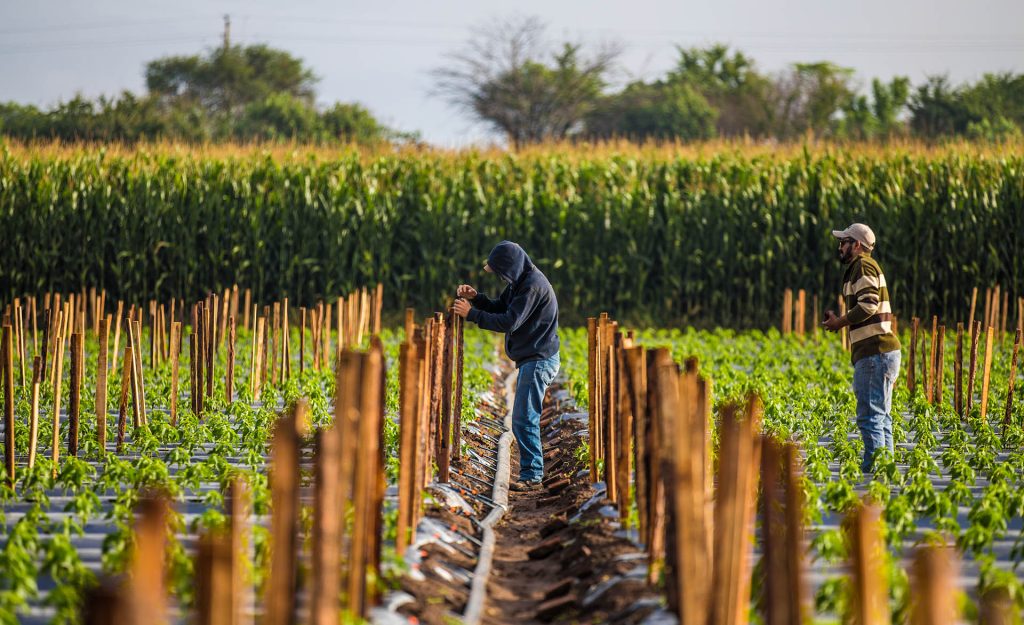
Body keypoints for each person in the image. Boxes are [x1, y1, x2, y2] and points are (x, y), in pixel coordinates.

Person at [454, 241, 560, 491]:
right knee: (523, 417)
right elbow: (501, 307)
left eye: (500, 272)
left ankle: (532, 475)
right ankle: (531, 472)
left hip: (538, 360)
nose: (500, 277)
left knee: (523, 419)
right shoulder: (520, 281)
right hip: (532, 358)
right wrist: (476, 299)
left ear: (509, 268)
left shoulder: (532, 287)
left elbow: (508, 321)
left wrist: (471, 314)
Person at [823, 223, 902, 474]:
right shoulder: (861, 268)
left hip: (875, 353)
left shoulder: (863, 266)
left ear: (856, 245)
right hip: (880, 353)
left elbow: (868, 305)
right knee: (881, 418)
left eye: (844, 241)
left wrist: (841, 321)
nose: (840, 246)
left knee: (870, 418)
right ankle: (884, 474)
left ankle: (874, 478)